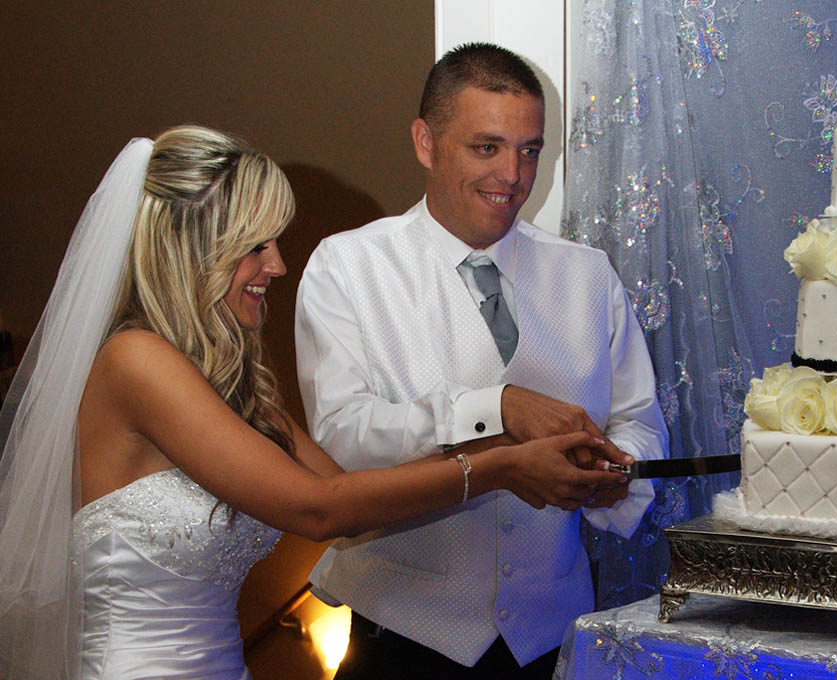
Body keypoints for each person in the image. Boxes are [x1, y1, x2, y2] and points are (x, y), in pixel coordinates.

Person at [0, 125, 631, 680]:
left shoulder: (238, 387)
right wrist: (501, 467)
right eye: (255, 245)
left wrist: (502, 447)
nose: (276, 265)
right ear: (188, 248)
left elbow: (356, 504)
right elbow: (317, 510)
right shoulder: (135, 361)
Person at [295, 43, 667, 679]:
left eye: (529, 150)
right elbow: (342, 439)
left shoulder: (587, 275)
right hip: (401, 640)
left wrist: (615, 473)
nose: (513, 175)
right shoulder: (347, 267)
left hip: (550, 641)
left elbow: (640, 422)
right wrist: (495, 408)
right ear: (425, 142)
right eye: (486, 147)